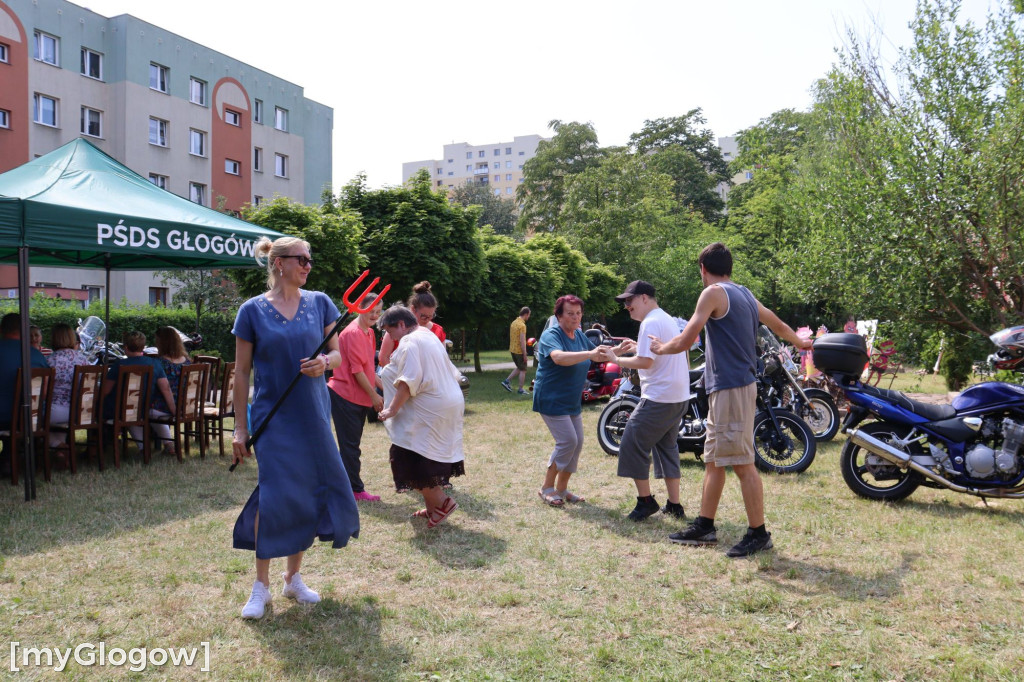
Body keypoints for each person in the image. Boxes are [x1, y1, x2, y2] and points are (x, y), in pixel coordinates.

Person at [650, 243, 812, 557]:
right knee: (713, 461)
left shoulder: (712, 293)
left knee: (742, 463)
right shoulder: (745, 294)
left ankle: (758, 533)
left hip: (731, 388)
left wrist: (660, 349)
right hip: (728, 388)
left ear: (703, 269)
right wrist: (800, 340)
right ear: (730, 267)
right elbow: (775, 323)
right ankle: (705, 525)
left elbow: (687, 338)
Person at [231, 236, 359, 620]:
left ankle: (293, 577)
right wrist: (240, 429)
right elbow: (240, 372)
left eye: (310, 260)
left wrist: (325, 362)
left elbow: (337, 353)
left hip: (314, 416)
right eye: (301, 259)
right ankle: (261, 586)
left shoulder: (320, 303)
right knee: (274, 495)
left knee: (307, 492)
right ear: (279, 263)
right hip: (273, 417)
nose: (308, 265)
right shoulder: (251, 311)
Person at [376, 304, 465, 528]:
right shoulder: (428, 335)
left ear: (402, 325)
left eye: (389, 330)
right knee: (424, 456)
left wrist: (391, 410)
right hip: (446, 403)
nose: (389, 336)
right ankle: (433, 507)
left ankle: (443, 503)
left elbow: (409, 380)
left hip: (431, 408)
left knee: (408, 458)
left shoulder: (409, 341)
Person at [610, 281, 691, 522]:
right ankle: (674, 505)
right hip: (678, 397)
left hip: (660, 397)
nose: (627, 306)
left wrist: (615, 357)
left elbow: (646, 363)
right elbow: (659, 353)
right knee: (667, 448)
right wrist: (638, 347)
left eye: (629, 301)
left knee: (631, 443)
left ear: (644, 298)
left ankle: (645, 502)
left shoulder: (650, 322)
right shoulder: (664, 318)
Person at [532, 295, 617, 506]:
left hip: (571, 400)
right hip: (551, 399)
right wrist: (589, 352)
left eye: (579, 313)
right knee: (568, 441)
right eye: (570, 313)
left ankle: (562, 489)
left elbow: (596, 356)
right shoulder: (551, 335)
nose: (575, 317)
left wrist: (619, 352)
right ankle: (546, 488)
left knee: (577, 444)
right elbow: (559, 357)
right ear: (559, 315)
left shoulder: (578, 335)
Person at [327, 291, 385, 502]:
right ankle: (354, 490)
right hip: (345, 396)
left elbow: (369, 368)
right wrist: (374, 396)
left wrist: (386, 389)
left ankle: (347, 487)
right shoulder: (353, 333)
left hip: (358, 396)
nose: (375, 315)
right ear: (360, 308)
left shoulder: (368, 332)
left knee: (352, 445)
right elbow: (357, 370)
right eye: (371, 311)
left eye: (378, 312)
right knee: (350, 446)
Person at [100, 330, 177, 450]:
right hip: (144, 408)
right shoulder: (155, 363)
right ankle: (154, 446)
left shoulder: (119, 365)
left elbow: (105, 391)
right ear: (143, 346)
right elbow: (166, 388)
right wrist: (174, 410)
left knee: (112, 410)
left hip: (120, 411)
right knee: (132, 414)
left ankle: (100, 447)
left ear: (125, 347)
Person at [0, 314, 50, 474]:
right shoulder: (36, 356)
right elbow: (44, 392)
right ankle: (9, 457)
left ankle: (8, 458)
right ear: (24, 331)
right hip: (30, 418)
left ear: (1, 330)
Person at [378, 281, 445, 367]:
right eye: (424, 316)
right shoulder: (396, 328)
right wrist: (395, 376)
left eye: (431, 316)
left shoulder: (438, 331)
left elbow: (442, 359)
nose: (428, 320)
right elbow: (383, 357)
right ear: (413, 309)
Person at [150, 326, 193, 455]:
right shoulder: (187, 362)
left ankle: (156, 445)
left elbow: (165, 389)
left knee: (142, 410)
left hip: (168, 406)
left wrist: (174, 409)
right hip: (185, 406)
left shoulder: (159, 363)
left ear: (161, 343)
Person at [46, 323, 89, 448]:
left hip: (56, 411)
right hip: (81, 411)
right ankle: (61, 448)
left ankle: (58, 445)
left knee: (28, 417)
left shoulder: (50, 360)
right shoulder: (83, 359)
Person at [502, 307, 531, 395]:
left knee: (520, 367)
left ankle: (506, 381)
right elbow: (522, 341)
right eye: (529, 315)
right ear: (526, 314)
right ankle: (521, 390)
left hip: (512, 350)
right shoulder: (522, 325)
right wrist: (525, 354)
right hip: (519, 351)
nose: (529, 317)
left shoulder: (514, 323)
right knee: (523, 370)